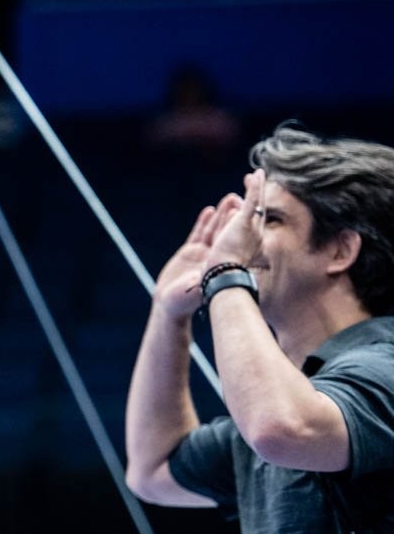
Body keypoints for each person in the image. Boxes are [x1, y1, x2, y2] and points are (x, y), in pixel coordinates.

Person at [125, 124, 394, 532]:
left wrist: (225, 272)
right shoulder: (279, 406)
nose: (241, 235)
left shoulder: (385, 366)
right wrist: (169, 314)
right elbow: (152, 470)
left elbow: (282, 429)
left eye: (270, 219)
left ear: (340, 250)